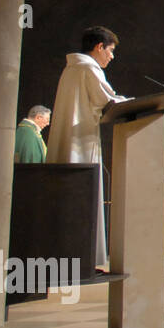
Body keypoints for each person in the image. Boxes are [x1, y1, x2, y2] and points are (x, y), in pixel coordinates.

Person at [46, 26, 128, 269]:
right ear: (99, 47)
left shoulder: (71, 69)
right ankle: (82, 260)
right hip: (80, 144)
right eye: (110, 50)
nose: (111, 57)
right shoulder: (88, 68)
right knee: (83, 201)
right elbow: (108, 101)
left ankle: (65, 258)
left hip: (68, 142)